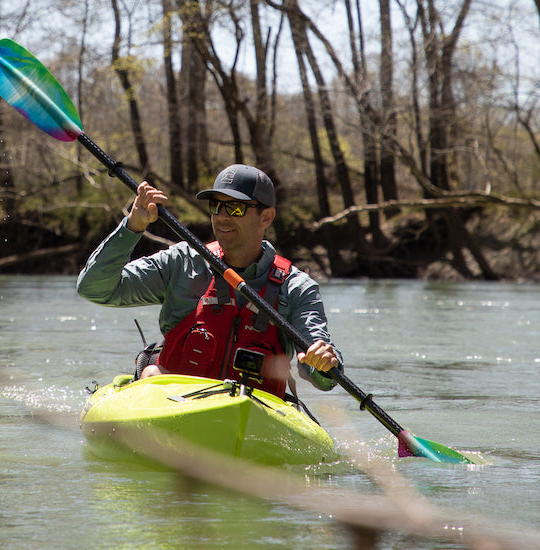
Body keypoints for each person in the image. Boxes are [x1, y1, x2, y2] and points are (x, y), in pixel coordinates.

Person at [76, 164, 342, 399]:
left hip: (252, 411)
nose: (222, 216)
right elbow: (94, 289)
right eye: (216, 206)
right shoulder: (182, 262)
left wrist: (324, 365)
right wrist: (132, 226)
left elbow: (320, 370)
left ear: (266, 217)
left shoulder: (296, 287)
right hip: (172, 401)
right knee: (152, 372)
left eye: (235, 208)